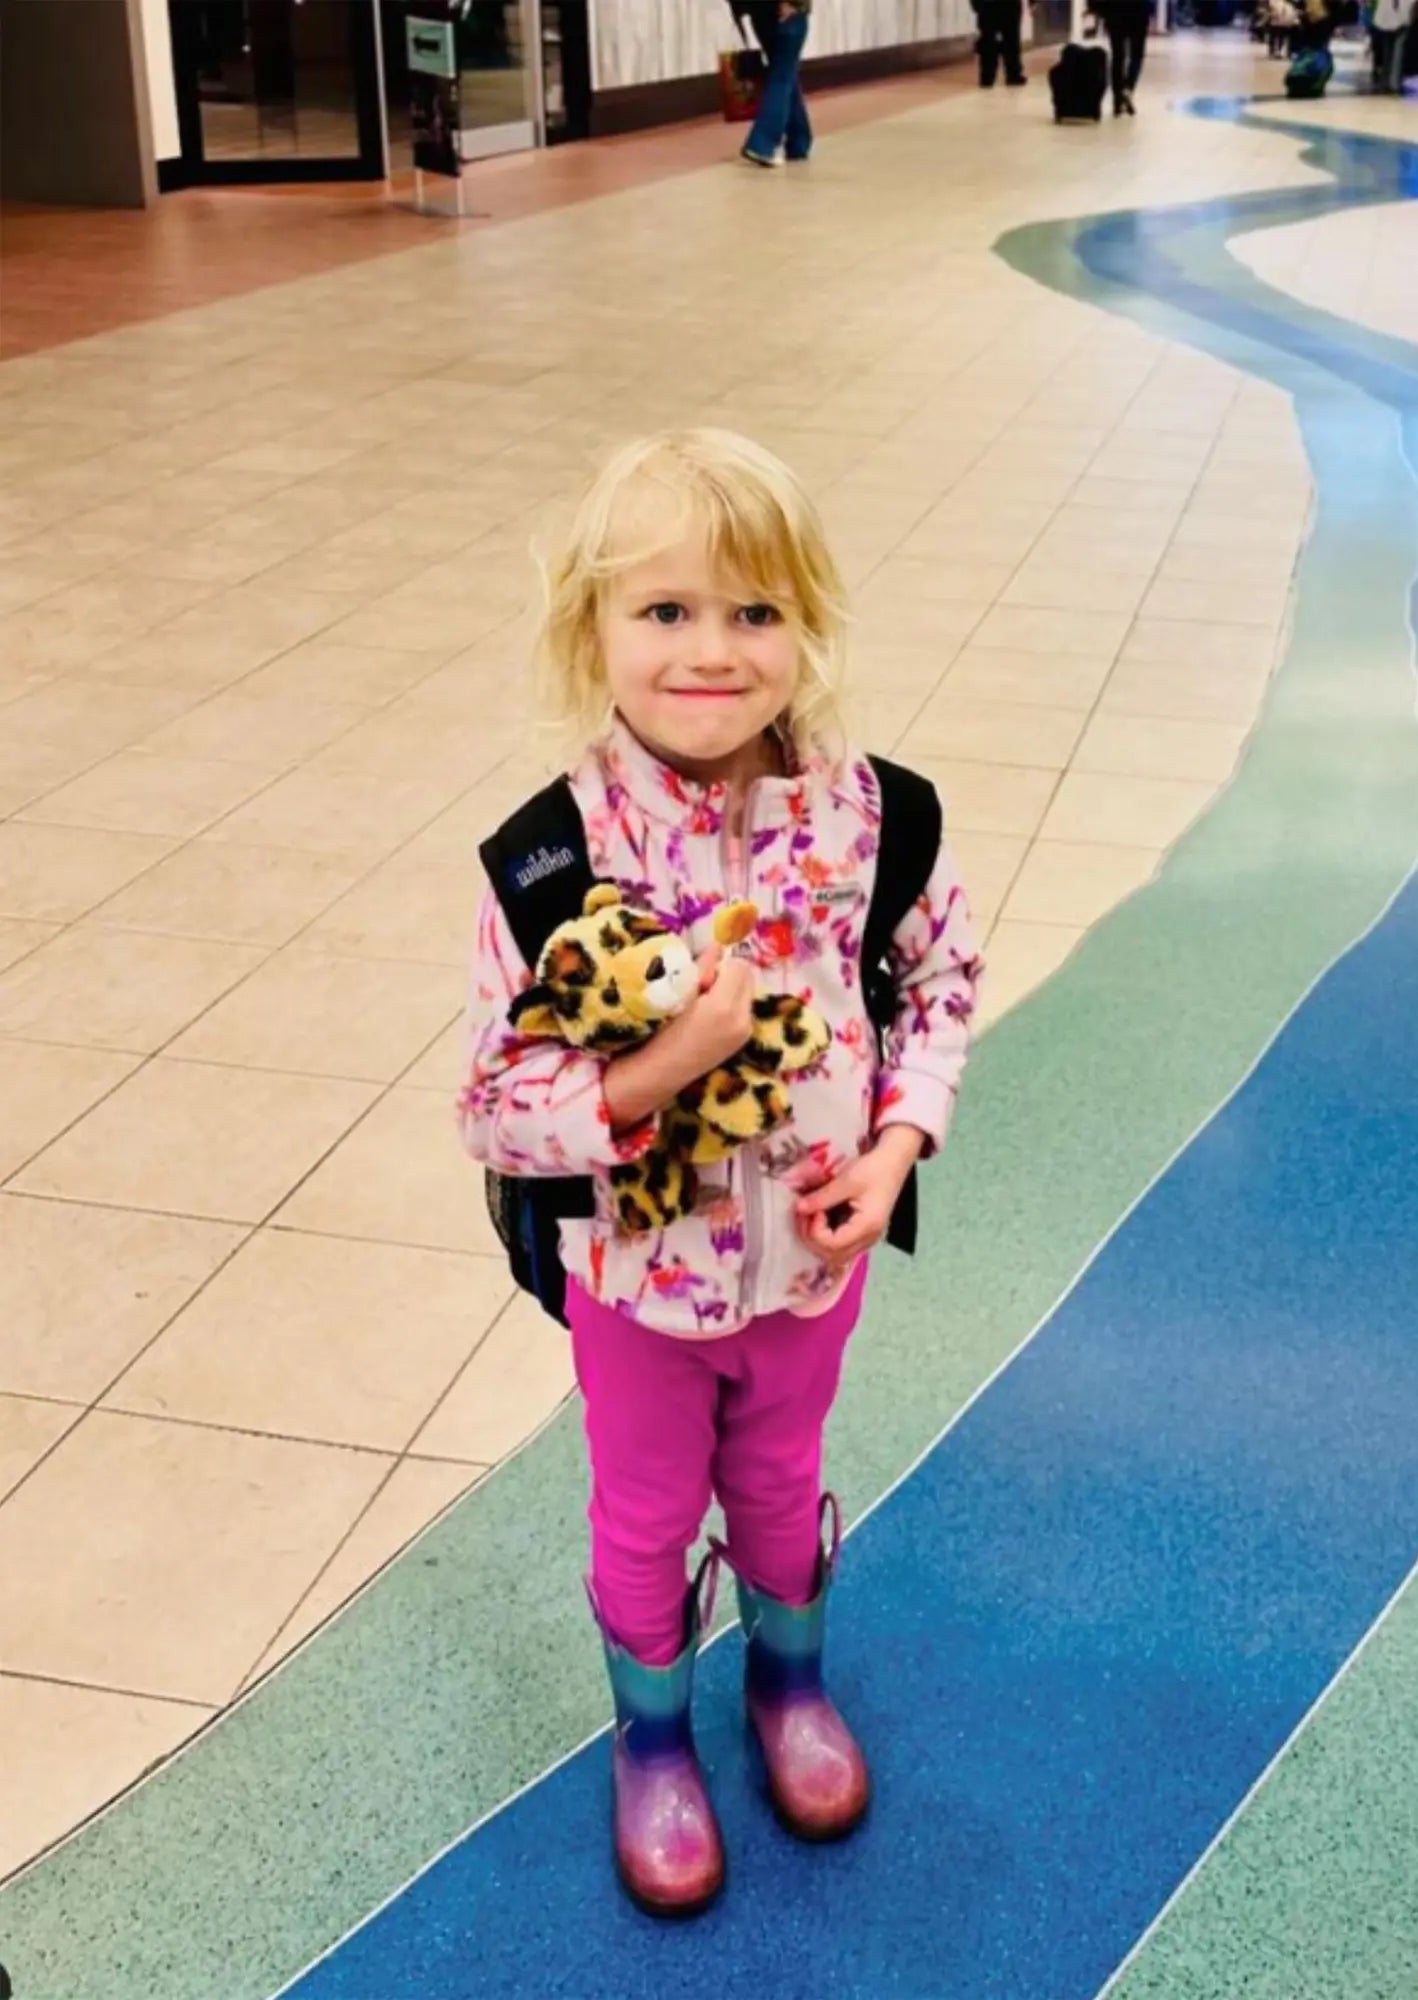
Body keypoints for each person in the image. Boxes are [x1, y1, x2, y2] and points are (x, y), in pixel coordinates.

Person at [459, 430, 982, 1917]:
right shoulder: (547, 860)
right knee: (639, 1518)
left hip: (815, 1265)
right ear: (593, 630)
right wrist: (664, 1062)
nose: (712, 651)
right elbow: (496, 1106)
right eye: (666, 611)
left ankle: (790, 1686)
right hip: (638, 1286)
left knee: (781, 1483)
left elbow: (943, 982)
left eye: (755, 612)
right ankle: (651, 1737)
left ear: (808, 624)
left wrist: (896, 1145)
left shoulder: (878, 815)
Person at [741, 0, 813, 167]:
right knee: (782, 75)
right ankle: (762, 144)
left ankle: (799, 141)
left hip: (759, 11)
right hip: (786, 9)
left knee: (784, 71)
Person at [1093, 0, 1154, 113]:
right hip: (1138, 13)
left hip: (1114, 13)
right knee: (1137, 55)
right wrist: (1150, 10)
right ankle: (1128, 88)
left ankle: (1117, 100)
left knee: (1118, 56)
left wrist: (1101, 10)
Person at [973, 0, 1029, 86]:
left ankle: (987, 77)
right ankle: (1013, 75)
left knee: (988, 40)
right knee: (1011, 40)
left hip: (988, 5)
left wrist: (976, 4)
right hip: (1009, 5)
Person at [1371, 0, 1418, 90]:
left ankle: (1386, 81)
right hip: (1400, 14)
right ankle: (1394, 82)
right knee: (1398, 50)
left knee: (1388, 50)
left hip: (1387, 16)